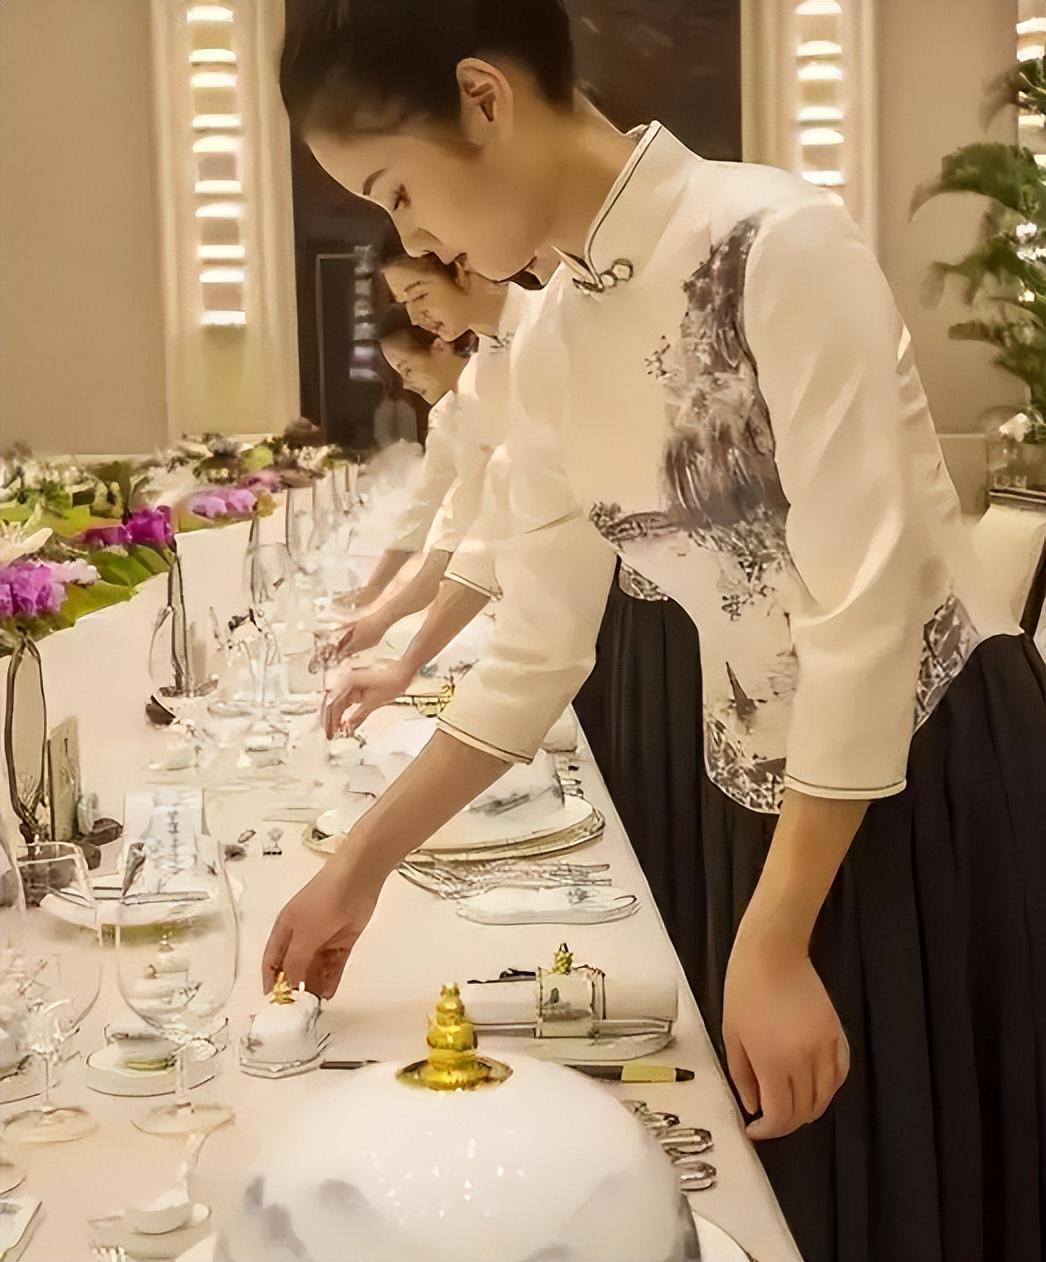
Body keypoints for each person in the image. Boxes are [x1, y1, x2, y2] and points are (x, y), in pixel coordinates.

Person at [269, 5, 1046, 1261]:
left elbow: (867, 611)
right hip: (752, 800)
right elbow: (535, 648)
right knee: (793, 1187)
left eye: (398, 190)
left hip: (921, 781)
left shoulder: (772, 238)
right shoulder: (555, 340)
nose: (412, 239)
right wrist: (358, 864)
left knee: (924, 1187)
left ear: (483, 97)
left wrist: (775, 932)